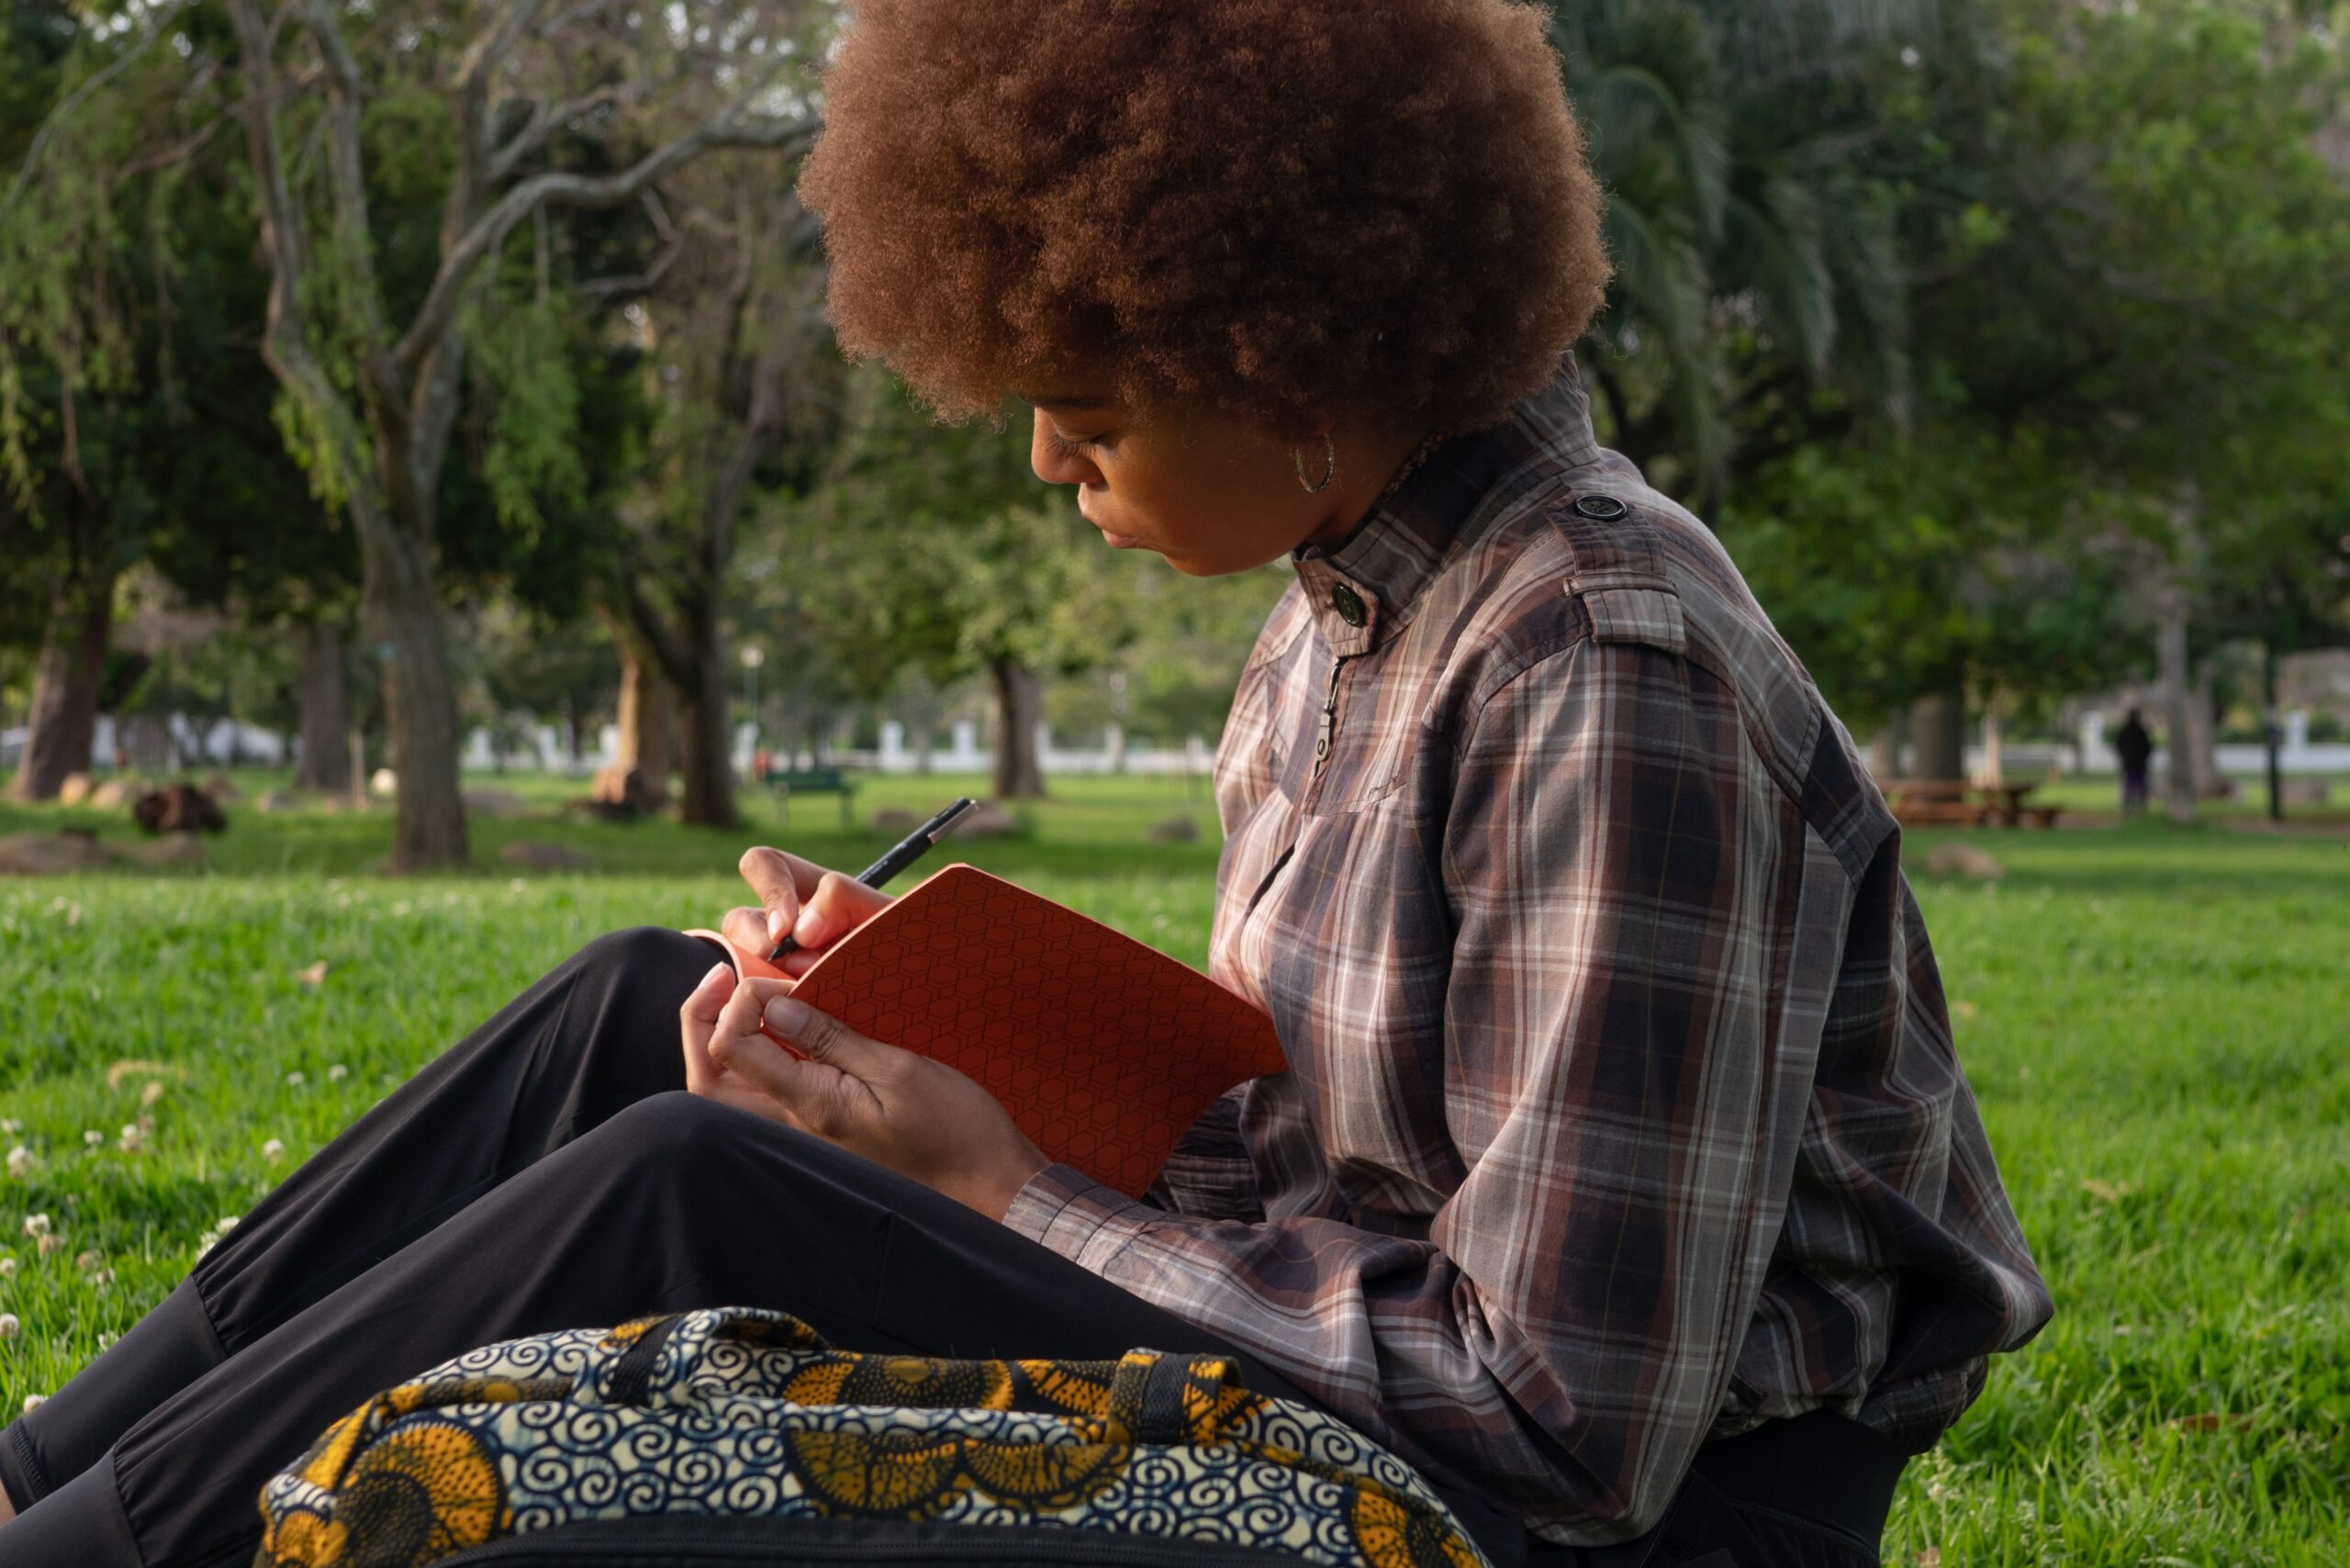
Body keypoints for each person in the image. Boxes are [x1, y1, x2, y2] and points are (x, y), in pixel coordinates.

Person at [0, 5, 2052, 1563]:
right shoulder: (1345, 616)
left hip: (1564, 1516)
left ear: (1290, 354)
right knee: (647, 1002)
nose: (1048, 466)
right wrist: (929, 1024)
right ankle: (46, 1476)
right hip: (1409, 1387)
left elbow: (1566, 1421)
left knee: (703, 1175)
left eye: (1084, 409)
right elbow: (1339, 1154)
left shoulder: (1604, 668)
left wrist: (992, 1185)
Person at [2114, 707, 2154, 813]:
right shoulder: (2141, 732)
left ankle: (2128, 807)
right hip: (2138, 763)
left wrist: (2125, 756)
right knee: (2139, 786)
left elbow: (2119, 746)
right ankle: (2140, 807)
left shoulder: (2125, 731)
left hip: (2129, 763)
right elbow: (2148, 747)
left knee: (2130, 786)